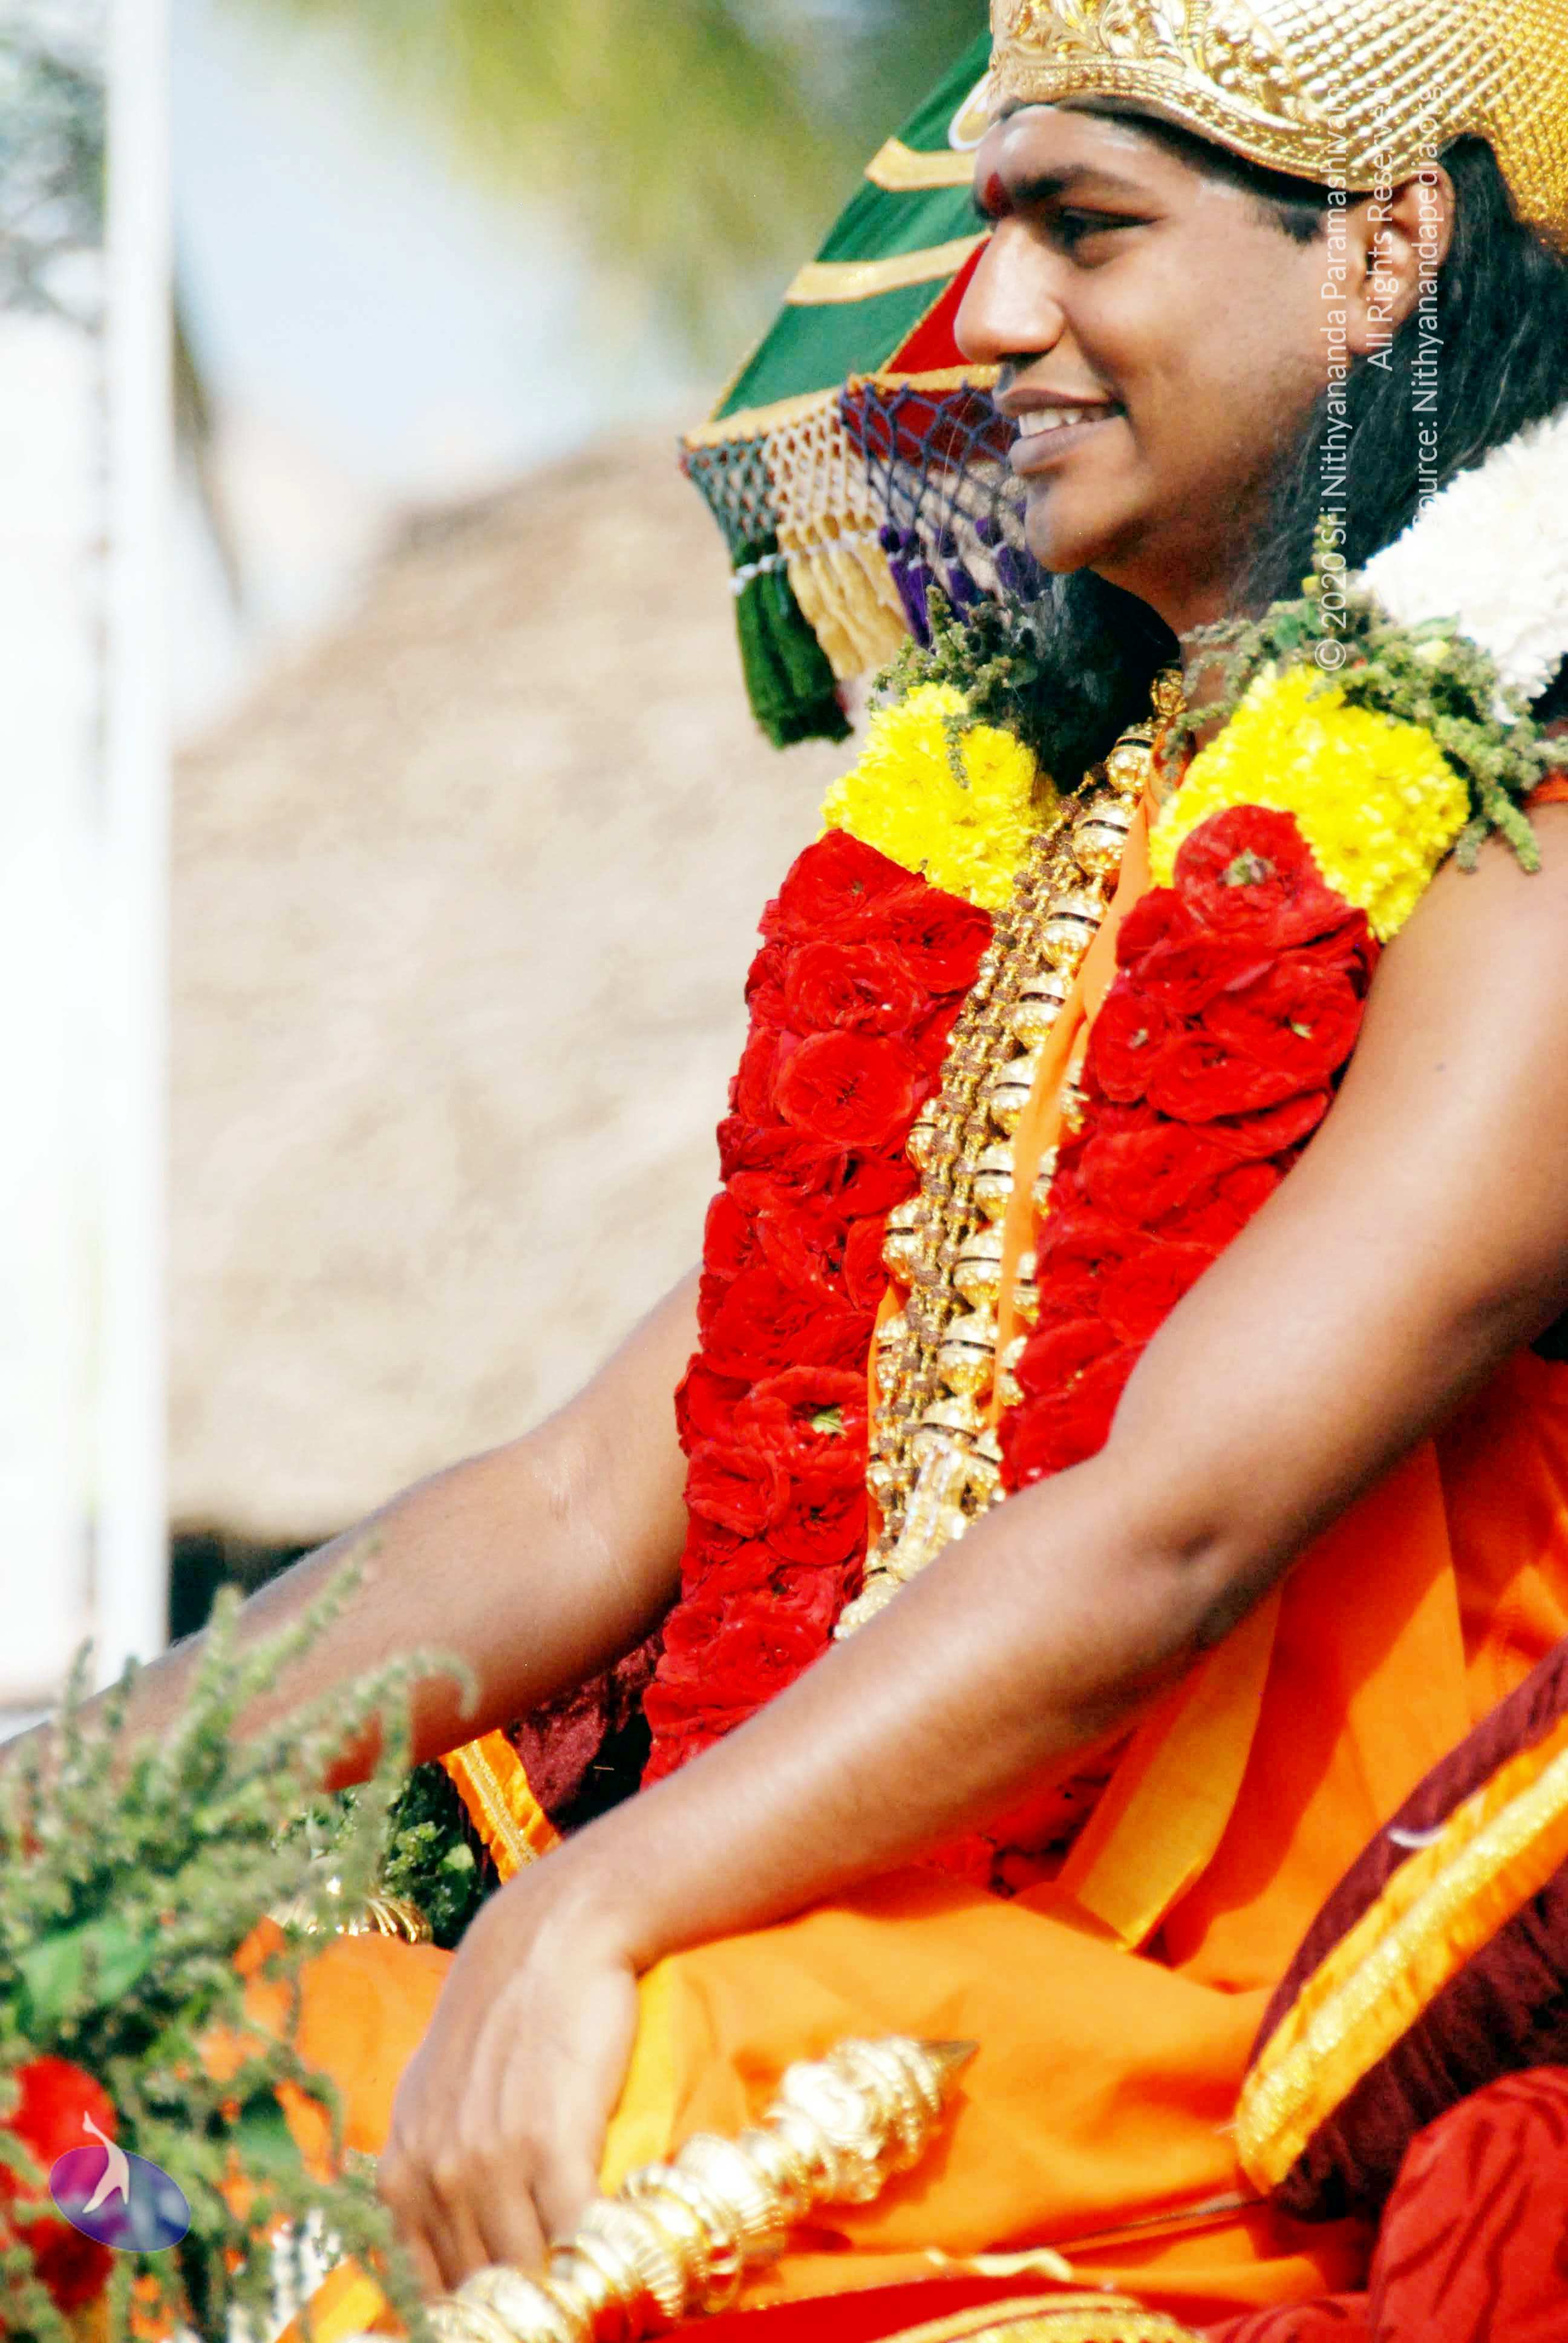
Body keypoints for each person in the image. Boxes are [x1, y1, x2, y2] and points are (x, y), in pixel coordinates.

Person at [29, 3, 1568, 2332]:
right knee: (113, 2052)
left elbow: (1174, 1522)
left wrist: (599, 1902)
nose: (996, 314)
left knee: (533, 2140)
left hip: (1179, 2024)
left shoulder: (1519, 865)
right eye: (994, 227)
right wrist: (85, 1804)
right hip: (793, 1907)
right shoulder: (1020, 841)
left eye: (1086, 229)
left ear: (1385, 250)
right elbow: (579, 1494)